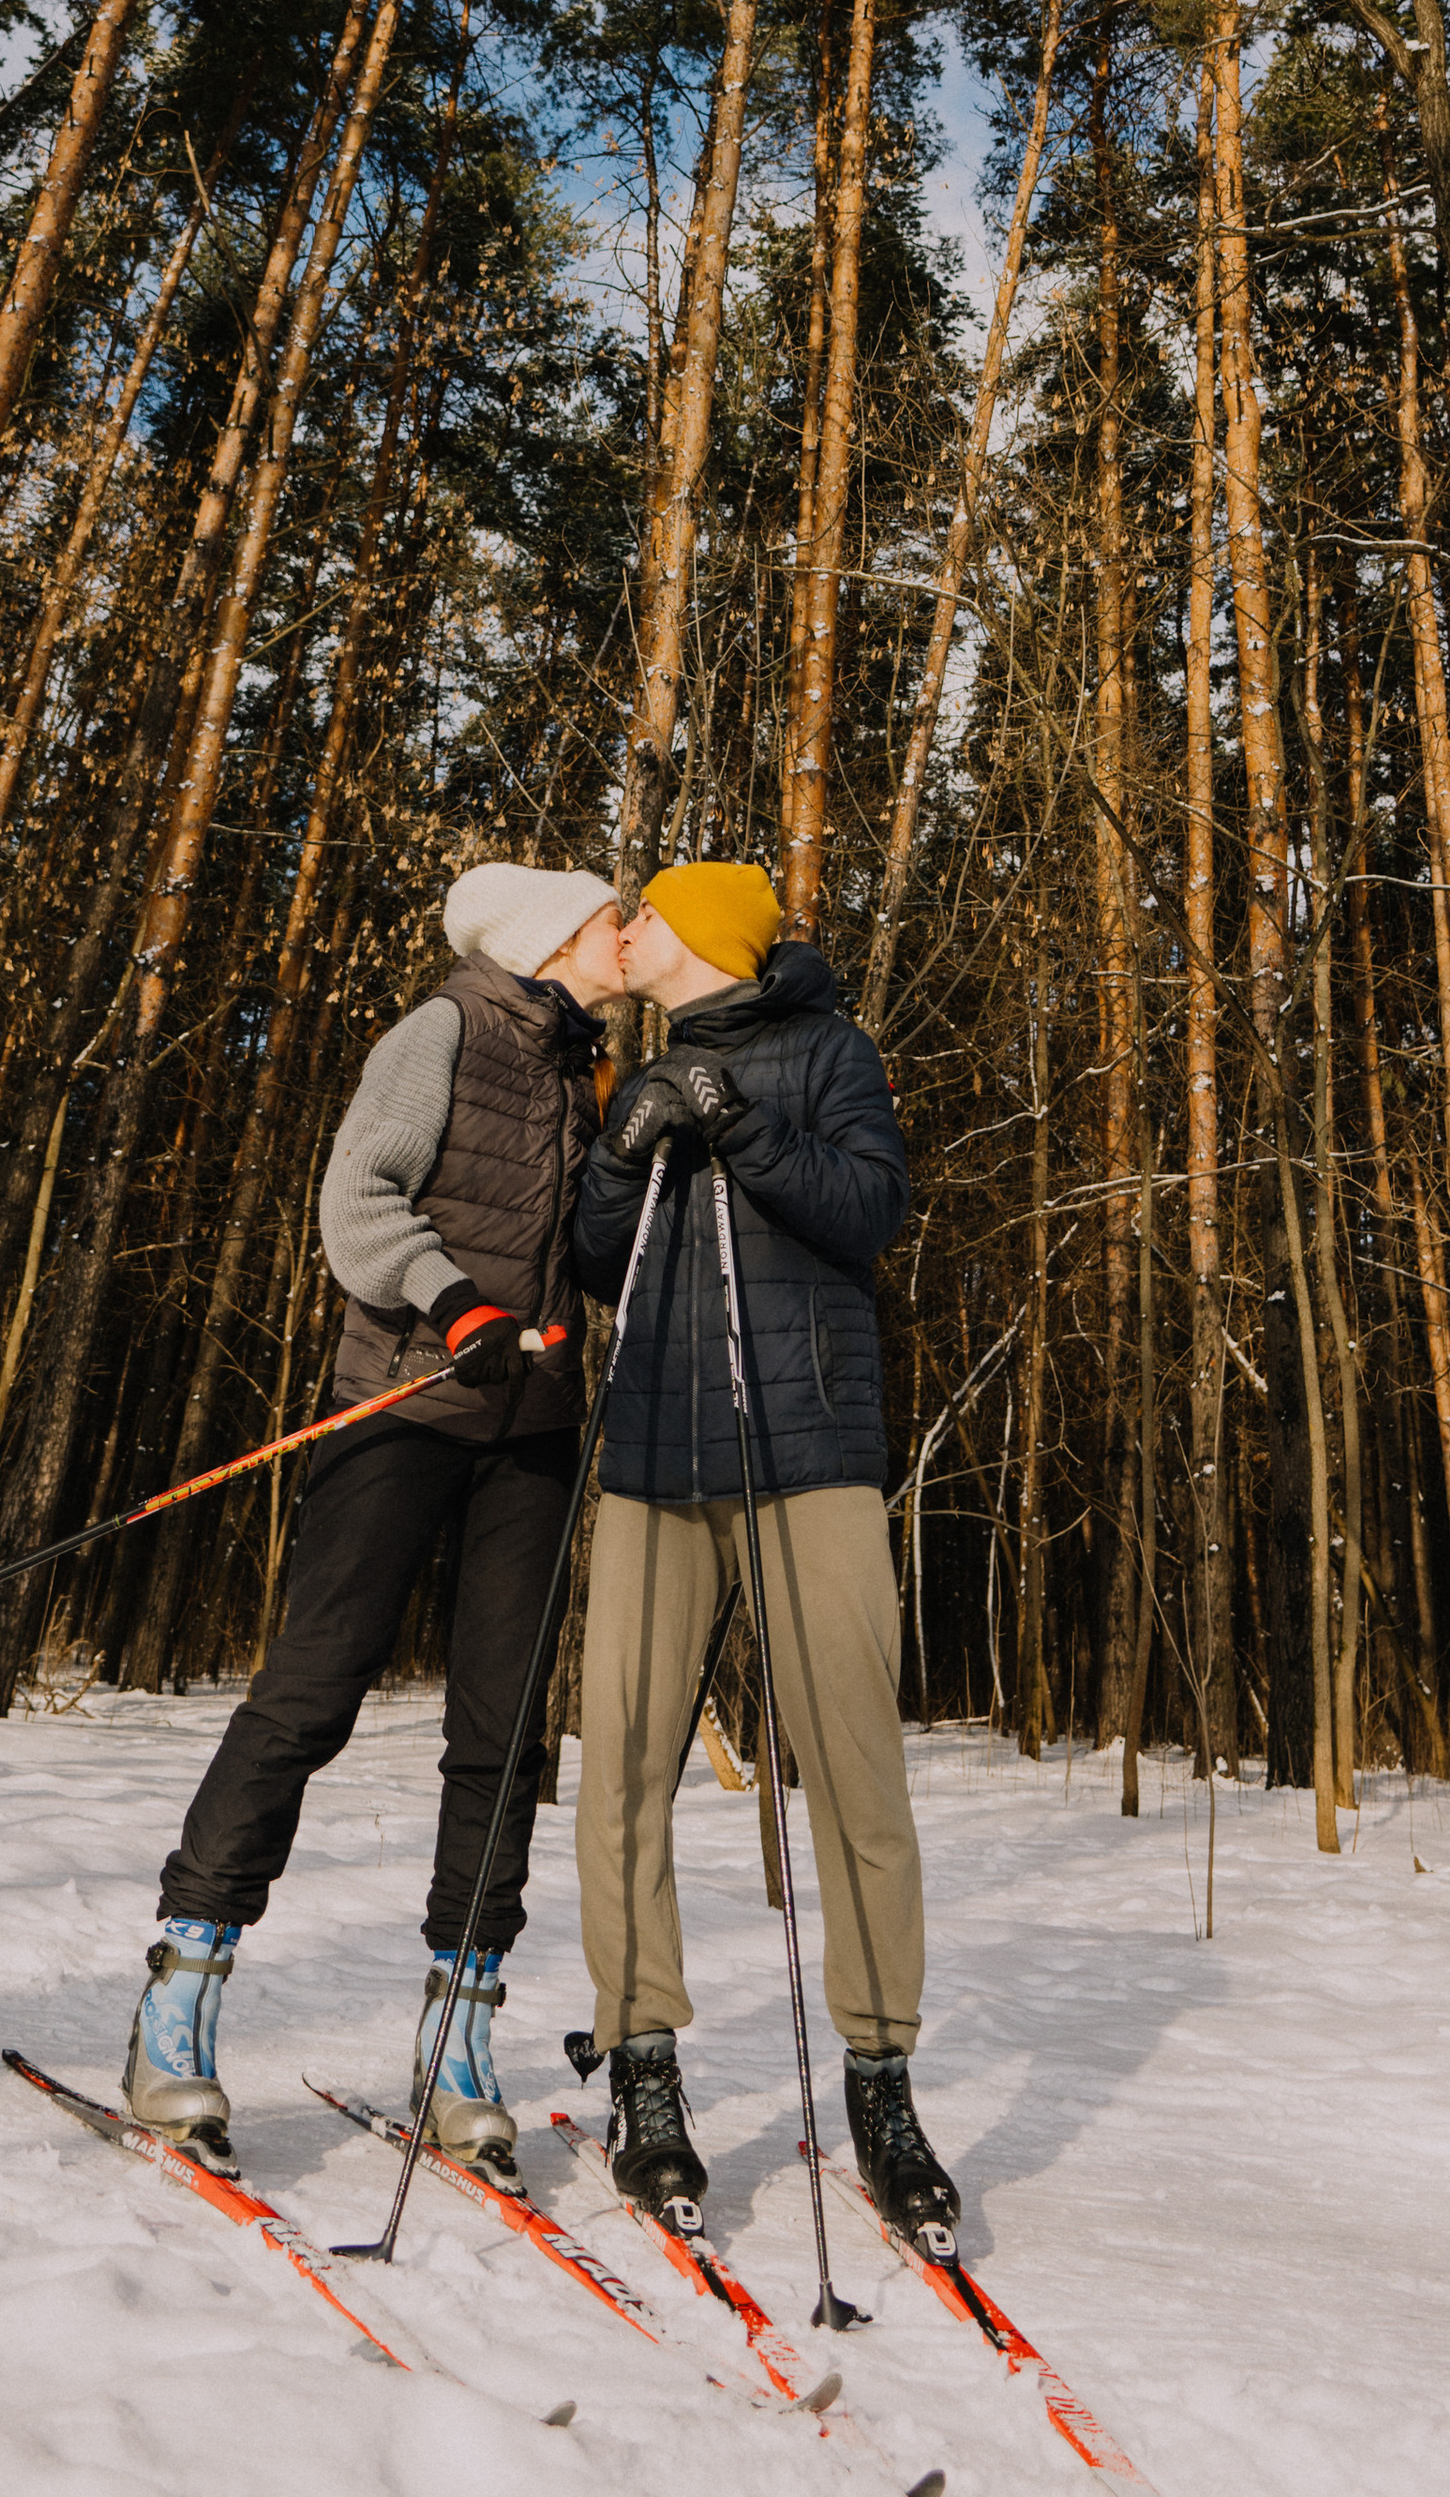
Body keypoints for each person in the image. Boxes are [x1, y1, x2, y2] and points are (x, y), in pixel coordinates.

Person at [124, 859, 623, 2177]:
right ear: (544, 937)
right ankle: (181, 1999)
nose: (626, 932)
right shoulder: (442, 1031)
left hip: (535, 1434)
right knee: (309, 1695)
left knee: (505, 1731)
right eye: (608, 914)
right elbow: (359, 1202)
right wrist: (451, 1301)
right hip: (404, 1408)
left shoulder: (589, 1070)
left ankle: (458, 2034)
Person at [569, 858, 958, 2244]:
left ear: (710, 937)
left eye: (651, 913)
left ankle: (880, 2079)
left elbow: (870, 1212)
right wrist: (624, 1151)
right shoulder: (644, 1069)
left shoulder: (826, 1049)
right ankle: (646, 2068)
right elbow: (595, 1258)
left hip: (809, 1456)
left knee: (854, 1764)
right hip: (653, 1461)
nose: (633, 929)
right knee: (616, 1760)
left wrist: (740, 1127)